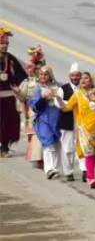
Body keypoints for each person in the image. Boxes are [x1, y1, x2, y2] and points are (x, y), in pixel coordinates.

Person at [59, 71, 95, 188]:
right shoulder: (77, 94)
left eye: (86, 78)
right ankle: (91, 178)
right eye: (82, 79)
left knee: (94, 154)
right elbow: (67, 108)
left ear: (91, 81)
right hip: (84, 129)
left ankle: (90, 175)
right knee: (89, 153)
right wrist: (58, 99)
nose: (83, 80)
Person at [27, 66, 63, 179]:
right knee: (48, 144)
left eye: (46, 74)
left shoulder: (59, 86)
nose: (43, 77)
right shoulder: (37, 89)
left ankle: (56, 168)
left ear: (50, 75)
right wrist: (42, 97)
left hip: (57, 119)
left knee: (57, 144)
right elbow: (34, 106)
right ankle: (49, 169)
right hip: (44, 120)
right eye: (41, 74)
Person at [0, 28, 27, 157]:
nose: (5, 46)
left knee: (8, 122)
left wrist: (19, 86)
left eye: (6, 44)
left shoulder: (10, 59)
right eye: (2, 44)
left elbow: (21, 74)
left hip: (9, 96)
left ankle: (4, 148)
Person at [58, 63, 82, 181]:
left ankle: (85, 171)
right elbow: (59, 104)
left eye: (77, 75)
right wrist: (71, 104)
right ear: (69, 76)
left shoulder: (84, 89)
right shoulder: (63, 89)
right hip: (67, 123)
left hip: (81, 124)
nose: (75, 78)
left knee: (83, 148)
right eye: (73, 75)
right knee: (67, 149)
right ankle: (68, 172)